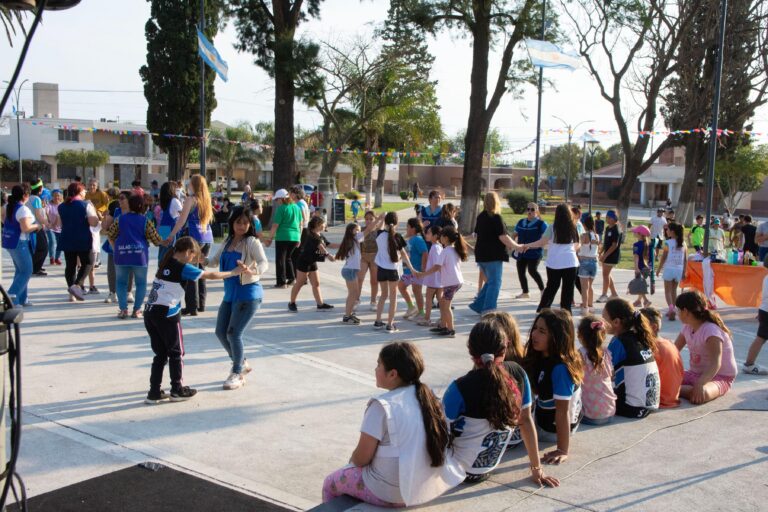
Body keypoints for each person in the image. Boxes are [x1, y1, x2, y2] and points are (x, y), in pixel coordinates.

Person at [321, 342, 463, 507]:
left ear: (392, 374)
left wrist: (350, 465)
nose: (375, 369)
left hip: (388, 493)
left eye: (378, 364)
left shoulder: (381, 406)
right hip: (419, 488)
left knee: (330, 482)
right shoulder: (429, 398)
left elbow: (361, 459)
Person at [442, 319, 559, 486]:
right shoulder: (518, 374)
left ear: (471, 351)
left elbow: (439, 433)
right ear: (505, 349)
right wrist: (537, 468)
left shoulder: (460, 387)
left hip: (458, 471)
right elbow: (525, 421)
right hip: (487, 467)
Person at [143, 237, 249, 404]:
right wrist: (234, 272)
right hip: (167, 314)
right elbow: (211, 275)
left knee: (160, 354)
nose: (192, 260)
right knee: (176, 353)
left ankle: (154, 391)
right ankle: (177, 389)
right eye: (193, 256)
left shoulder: (166, 260)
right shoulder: (182, 267)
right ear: (187, 252)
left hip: (150, 312)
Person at [208, 206, 268, 390]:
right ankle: (241, 361)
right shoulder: (227, 241)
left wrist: (253, 270)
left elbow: (264, 262)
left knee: (234, 334)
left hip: (248, 294)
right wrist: (198, 259)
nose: (241, 226)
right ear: (232, 223)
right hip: (230, 295)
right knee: (220, 332)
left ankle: (237, 372)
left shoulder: (251, 242)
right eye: (238, 222)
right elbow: (214, 261)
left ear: (250, 224)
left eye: (245, 223)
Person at [523, 309, 583, 461]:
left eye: (542, 331)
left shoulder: (560, 368)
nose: (534, 334)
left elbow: (562, 412)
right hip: (544, 418)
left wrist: (562, 450)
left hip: (551, 430)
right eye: (535, 328)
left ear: (557, 336)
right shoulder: (542, 355)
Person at [673, 291, 738, 405]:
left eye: (678, 310)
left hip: (720, 377)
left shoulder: (711, 331)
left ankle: (672, 389)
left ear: (686, 311)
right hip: (694, 374)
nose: (677, 313)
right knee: (661, 380)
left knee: (701, 395)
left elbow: (715, 363)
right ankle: (675, 388)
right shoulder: (687, 327)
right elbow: (673, 351)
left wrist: (700, 384)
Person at [107, 194, 165, 319]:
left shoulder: (120, 219)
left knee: (121, 283)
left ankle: (123, 310)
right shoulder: (145, 221)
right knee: (141, 283)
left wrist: (115, 248)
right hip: (140, 256)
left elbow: (110, 234)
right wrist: (167, 240)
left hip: (121, 255)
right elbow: (156, 239)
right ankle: (137, 310)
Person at [601, 298, 660, 418]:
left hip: (631, 408)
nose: (601, 323)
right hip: (649, 405)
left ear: (616, 322)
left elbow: (602, 372)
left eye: (603, 319)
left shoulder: (619, 342)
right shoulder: (640, 337)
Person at [165, 174, 215, 315]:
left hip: (194, 238)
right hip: (207, 237)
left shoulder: (190, 200)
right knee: (201, 271)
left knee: (191, 273)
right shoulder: (205, 200)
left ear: (194, 185)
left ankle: (192, 306)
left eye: (189, 183)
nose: (187, 186)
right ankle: (201, 304)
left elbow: (181, 220)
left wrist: (171, 235)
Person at [522, 203, 579, 312]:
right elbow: (577, 244)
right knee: (568, 290)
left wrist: (527, 245)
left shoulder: (552, 227)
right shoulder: (573, 226)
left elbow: (541, 242)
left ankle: (542, 310)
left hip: (554, 263)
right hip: (571, 262)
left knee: (551, 287)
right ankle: (566, 313)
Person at [470, 192, 520, 314]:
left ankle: (478, 305)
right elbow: (503, 237)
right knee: (495, 283)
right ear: (496, 202)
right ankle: (489, 310)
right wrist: (516, 246)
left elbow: (476, 234)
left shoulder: (481, 216)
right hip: (493, 255)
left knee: (490, 282)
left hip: (481, 255)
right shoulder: (496, 217)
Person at [416, 226, 468, 338]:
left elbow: (436, 267)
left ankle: (450, 329)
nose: (440, 238)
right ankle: (444, 326)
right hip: (455, 281)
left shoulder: (445, 251)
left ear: (446, 238)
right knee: (443, 304)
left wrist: (423, 274)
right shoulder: (454, 249)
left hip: (451, 283)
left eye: (442, 236)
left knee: (446, 306)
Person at [336, 217, 384, 324]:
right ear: (351, 231)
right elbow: (369, 229)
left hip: (349, 270)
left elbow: (368, 230)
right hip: (350, 271)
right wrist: (378, 219)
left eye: (359, 230)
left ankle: (348, 314)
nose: (359, 231)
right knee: (353, 294)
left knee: (353, 293)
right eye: (356, 230)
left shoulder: (352, 239)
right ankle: (347, 316)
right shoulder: (355, 238)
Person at [58, 182, 100, 301]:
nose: (85, 192)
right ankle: (77, 285)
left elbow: (60, 223)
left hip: (66, 238)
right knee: (88, 262)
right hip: (83, 239)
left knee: (70, 266)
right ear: (79, 192)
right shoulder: (85, 205)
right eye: (83, 190)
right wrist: (97, 216)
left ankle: (72, 292)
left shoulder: (61, 206)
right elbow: (93, 222)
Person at [374, 212, 414, 333]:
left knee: (383, 295)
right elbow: (404, 254)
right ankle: (390, 324)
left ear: (385, 222)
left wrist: (381, 217)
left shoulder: (379, 234)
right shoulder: (397, 237)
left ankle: (378, 321)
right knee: (393, 297)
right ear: (396, 223)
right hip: (392, 270)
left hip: (381, 269)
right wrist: (412, 269)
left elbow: (378, 227)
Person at [2, 184, 41, 306]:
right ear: (25, 195)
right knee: (27, 271)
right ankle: (10, 300)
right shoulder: (23, 209)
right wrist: (37, 226)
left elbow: (3, 218)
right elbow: (26, 228)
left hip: (10, 241)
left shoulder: (9, 206)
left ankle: (22, 299)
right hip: (20, 243)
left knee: (20, 271)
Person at [288, 217, 337, 312]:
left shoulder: (320, 235)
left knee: (316, 283)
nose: (325, 225)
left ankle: (320, 304)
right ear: (318, 225)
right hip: (304, 262)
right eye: (323, 223)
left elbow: (329, 244)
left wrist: (343, 245)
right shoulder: (312, 236)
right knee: (300, 283)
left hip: (312, 261)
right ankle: (292, 303)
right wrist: (328, 256)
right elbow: (321, 247)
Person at [640, 307, 684, 408]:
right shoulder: (668, 342)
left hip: (658, 401)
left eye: (639, 325)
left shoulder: (650, 348)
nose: (634, 329)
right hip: (672, 397)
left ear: (653, 327)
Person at [576, 316, 616, 424]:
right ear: (602, 335)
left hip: (590, 416)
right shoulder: (607, 353)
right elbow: (612, 376)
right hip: (610, 412)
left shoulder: (580, 355)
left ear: (579, 335)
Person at [264, 188, 302, 289]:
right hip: (295, 237)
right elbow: (300, 224)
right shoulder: (296, 207)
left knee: (280, 259)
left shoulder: (281, 208)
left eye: (277, 199)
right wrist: (299, 238)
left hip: (283, 237)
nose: (277, 201)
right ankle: (292, 278)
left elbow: (275, 225)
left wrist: (269, 238)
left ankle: (281, 282)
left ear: (281, 199)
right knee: (288, 258)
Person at [102, 191, 134, 305]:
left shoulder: (135, 212)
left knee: (129, 269)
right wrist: (105, 217)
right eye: (119, 198)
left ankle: (128, 292)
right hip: (114, 244)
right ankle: (112, 292)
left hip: (129, 244)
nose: (119, 200)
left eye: (122, 198)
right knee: (112, 269)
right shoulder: (116, 211)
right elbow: (105, 228)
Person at [513, 202, 547, 299]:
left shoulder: (541, 224)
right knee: (521, 271)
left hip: (534, 252)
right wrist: (513, 244)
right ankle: (525, 292)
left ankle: (543, 290)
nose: (530, 211)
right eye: (528, 209)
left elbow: (547, 237)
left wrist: (541, 245)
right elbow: (514, 234)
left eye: (532, 209)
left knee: (532, 270)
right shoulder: (521, 222)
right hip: (521, 252)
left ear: (537, 211)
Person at [656, 223, 687, 321]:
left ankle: (671, 309)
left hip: (669, 268)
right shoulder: (684, 243)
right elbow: (685, 259)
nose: (666, 231)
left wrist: (659, 269)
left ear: (672, 232)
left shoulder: (668, 243)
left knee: (667, 291)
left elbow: (664, 257)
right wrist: (684, 272)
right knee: (674, 290)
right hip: (679, 269)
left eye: (668, 230)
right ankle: (673, 308)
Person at [742, 256, 768, 375]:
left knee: (760, 338)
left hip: (764, 310)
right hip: (767, 311)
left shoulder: (766, 277)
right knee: (760, 338)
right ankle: (749, 364)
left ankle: (749, 363)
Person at [400, 218, 428, 321]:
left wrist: (423, 267)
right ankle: (411, 307)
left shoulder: (418, 239)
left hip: (416, 271)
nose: (406, 229)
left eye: (407, 227)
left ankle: (421, 312)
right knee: (401, 286)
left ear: (413, 228)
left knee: (417, 291)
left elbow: (425, 252)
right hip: (408, 271)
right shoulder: (410, 239)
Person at [417, 225, 443, 328]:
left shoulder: (435, 247)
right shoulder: (438, 246)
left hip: (434, 278)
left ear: (435, 236)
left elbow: (437, 265)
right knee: (440, 299)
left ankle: (427, 319)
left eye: (428, 233)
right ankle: (443, 317)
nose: (426, 235)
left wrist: (425, 274)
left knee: (428, 298)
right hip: (438, 279)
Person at [596, 210, 622, 303]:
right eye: (606, 217)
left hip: (612, 255)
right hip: (607, 254)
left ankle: (604, 294)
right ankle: (614, 294)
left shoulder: (616, 229)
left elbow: (614, 245)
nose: (606, 219)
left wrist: (605, 256)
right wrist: (601, 251)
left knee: (605, 274)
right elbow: (606, 243)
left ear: (614, 219)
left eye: (608, 217)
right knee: (607, 274)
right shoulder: (607, 228)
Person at [578, 215, 600, 316]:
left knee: (584, 287)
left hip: (584, 261)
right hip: (594, 262)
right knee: (590, 286)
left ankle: (585, 307)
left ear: (584, 224)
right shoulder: (597, 235)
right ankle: (591, 306)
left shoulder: (583, 236)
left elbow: (578, 248)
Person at [358, 210, 380, 310]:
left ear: (375, 219)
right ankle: (356, 299)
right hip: (363, 257)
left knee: (374, 281)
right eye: (366, 219)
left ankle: (373, 301)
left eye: (371, 219)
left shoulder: (379, 230)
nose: (368, 221)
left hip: (375, 257)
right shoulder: (361, 229)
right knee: (359, 279)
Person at [156, 181, 182, 262]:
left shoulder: (164, 202)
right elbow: (183, 215)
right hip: (171, 229)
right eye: (176, 188)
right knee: (171, 254)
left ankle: (161, 270)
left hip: (163, 228)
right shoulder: (174, 201)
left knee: (162, 254)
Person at [27, 179, 49, 276]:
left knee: (38, 248)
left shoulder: (29, 198)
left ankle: (36, 267)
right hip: (37, 227)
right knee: (43, 248)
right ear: (40, 189)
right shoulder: (36, 199)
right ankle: (33, 268)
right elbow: (39, 215)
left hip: (32, 226)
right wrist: (47, 223)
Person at [630, 224, 652, 308]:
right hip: (647, 268)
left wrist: (636, 268)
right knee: (641, 284)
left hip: (640, 268)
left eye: (635, 232)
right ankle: (638, 301)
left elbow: (636, 256)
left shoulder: (636, 244)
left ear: (639, 234)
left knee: (639, 285)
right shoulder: (649, 244)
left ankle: (646, 301)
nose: (634, 233)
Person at [45, 189, 63, 265]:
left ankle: (57, 258)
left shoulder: (62, 205)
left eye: (58, 195)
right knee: (52, 241)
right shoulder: (49, 205)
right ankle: (51, 258)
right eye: (55, 195)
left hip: (59, 228)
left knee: (60, 243)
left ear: (61, 196)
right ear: (52, 196)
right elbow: (46, 212)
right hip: (50, 227)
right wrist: (49, 220)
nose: (56, 197)